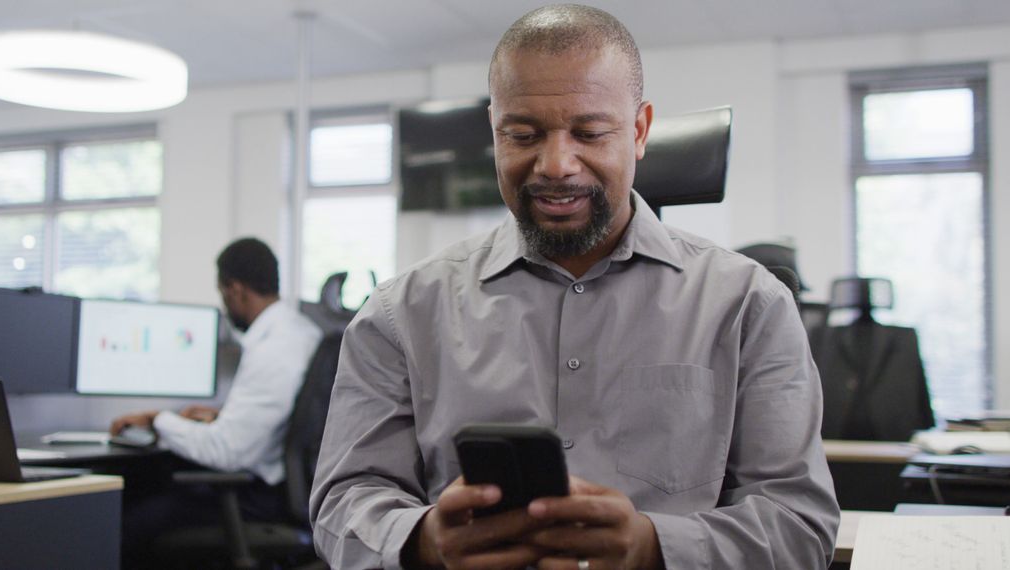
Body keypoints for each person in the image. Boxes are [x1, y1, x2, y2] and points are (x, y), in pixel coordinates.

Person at [310, 4, 839, 569]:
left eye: (588, 132)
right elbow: (343, 503)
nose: (557, 164)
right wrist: (421, 540)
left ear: (638, 131)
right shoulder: (400, 315)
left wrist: (652, 548)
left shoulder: (748, 306)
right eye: (522, 134)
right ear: (495, 132)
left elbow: (798, 524)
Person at [112, 237, 321, 568]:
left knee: (126, 521)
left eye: (223, 294)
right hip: (286, 489)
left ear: (235, 289)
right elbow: (282, 416)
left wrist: (158, 420)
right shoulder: (301, 332)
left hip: (257, 498)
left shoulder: (273, 351)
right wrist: (223, 415)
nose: (225, 305)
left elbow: (226, 452)